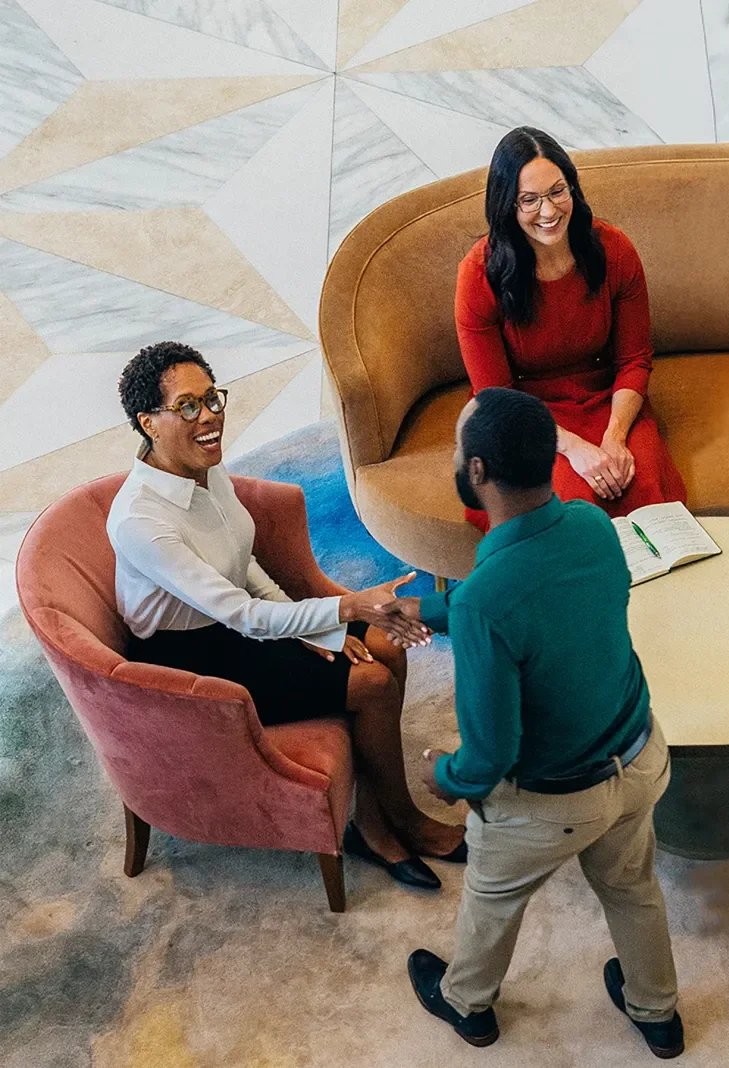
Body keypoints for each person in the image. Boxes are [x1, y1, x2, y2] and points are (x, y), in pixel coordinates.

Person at [109, 341, 464, 889]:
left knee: (387, 646)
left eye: (212, 398)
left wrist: (316, 623)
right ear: (148, 423)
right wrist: (347, 606)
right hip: (190, 660)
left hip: (236, 622)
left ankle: (374, 818)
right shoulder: (141, 520)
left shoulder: (205, 468)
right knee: (370, 684)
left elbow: (242, 563)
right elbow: (239, 614)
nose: (209, 418)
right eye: (187, 406)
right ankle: (404, 823)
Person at [392, 388, 683, 1058]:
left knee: (491, 901)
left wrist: (444, 775)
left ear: (477, 473)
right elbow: (516, 589)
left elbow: (490, 757)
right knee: (633, 889)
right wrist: (424, 611)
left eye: (458, 443)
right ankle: (658, 1015)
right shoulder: (589, 524)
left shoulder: (487, 607)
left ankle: (468, 1006)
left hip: (553, 802)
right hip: (639, 761)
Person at [454, 126, 686, 531]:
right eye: (529, 200)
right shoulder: (479, 274)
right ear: (507, 204)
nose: (548, 211)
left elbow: (634, 359)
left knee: (645, 489)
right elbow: (495, 395)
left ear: (573, 188)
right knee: (569, 505)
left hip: (608, 401)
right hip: (523, 417)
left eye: (557, 192)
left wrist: (614, 438)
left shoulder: (614, 249)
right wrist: (575, 449)